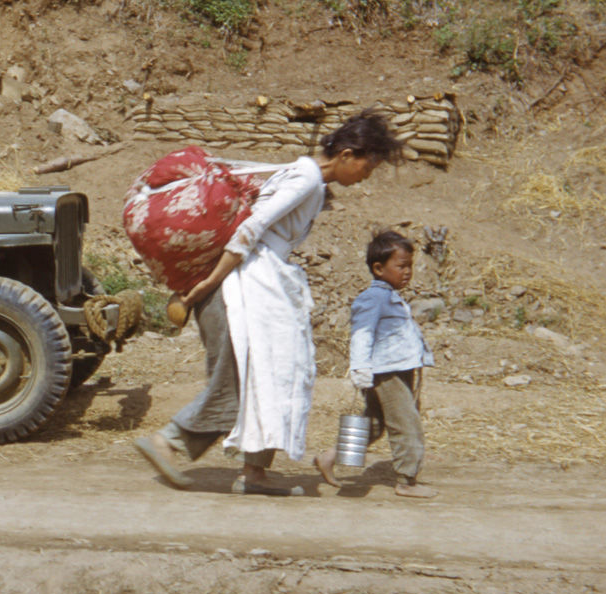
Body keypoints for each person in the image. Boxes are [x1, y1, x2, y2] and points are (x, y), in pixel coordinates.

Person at [134, 109, 403, 495]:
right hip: (246, 286)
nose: (365, 178)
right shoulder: (306, 179)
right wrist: (208, 282)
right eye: (367, 167)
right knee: (242, 378)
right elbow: (250, 229)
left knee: (273, 375)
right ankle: (168, 442)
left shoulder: (308, 179)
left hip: (261, 283)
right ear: (346, 154)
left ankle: (255, 472)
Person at [314, 230, 438, 498]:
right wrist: (359, 369)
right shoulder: (373, 298)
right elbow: (362, 334)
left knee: (374, 424)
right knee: (406, 423)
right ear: (378, 268)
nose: (408, 272)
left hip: (398, 369)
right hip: (385, 373)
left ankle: (329, 457)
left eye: (410, 266)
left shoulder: (390, 296)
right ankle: (406, 480)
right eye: (401, 266)